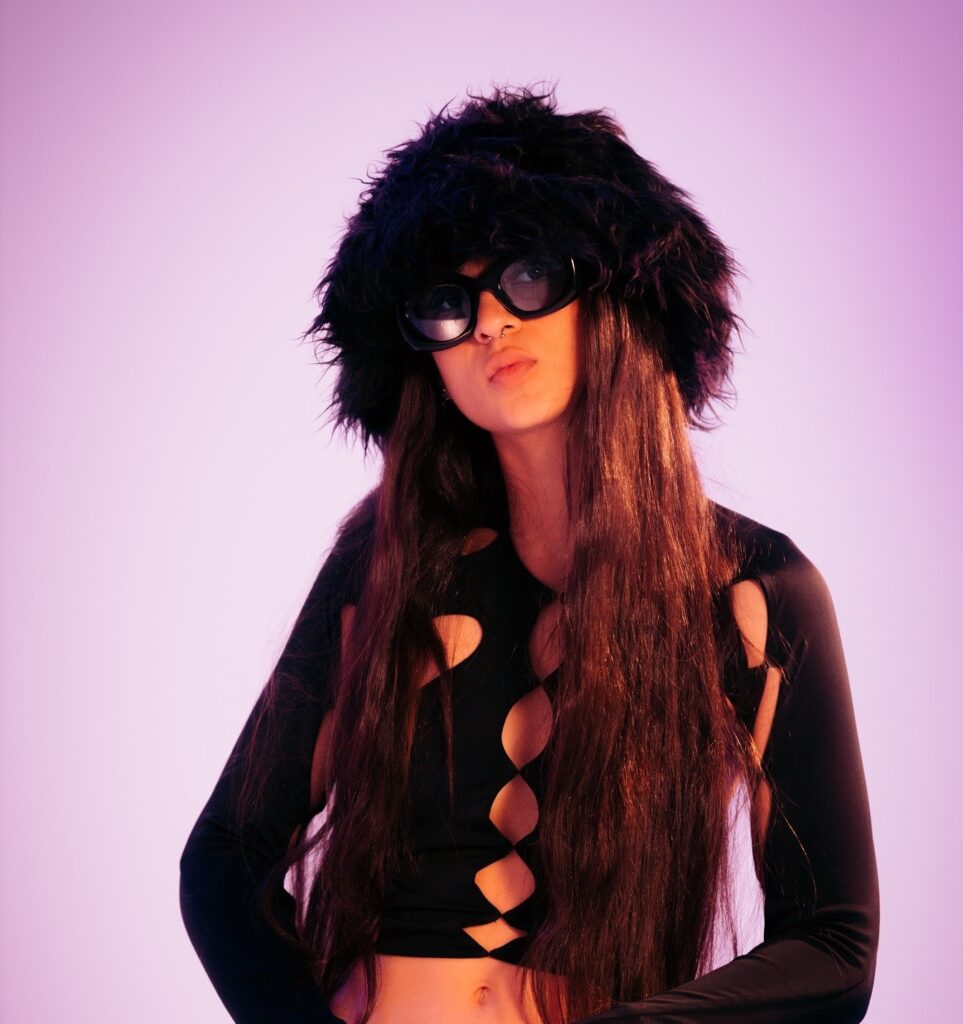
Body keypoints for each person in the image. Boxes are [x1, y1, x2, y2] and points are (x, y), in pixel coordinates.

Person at [179, 86, 879, 1024]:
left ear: (617, 294)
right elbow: (223, 857)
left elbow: (833, 947)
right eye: (445, 303)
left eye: (529, 275)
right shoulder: (387, 564)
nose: (488, 324)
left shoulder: (755, 590)